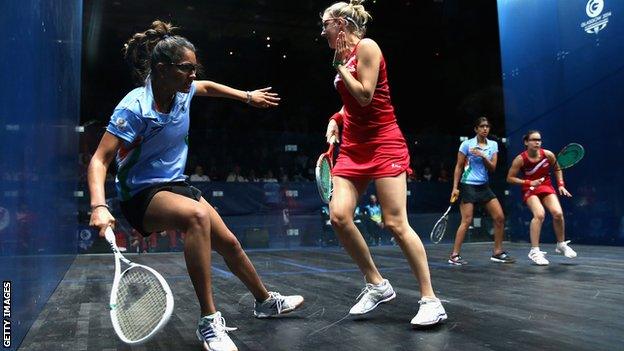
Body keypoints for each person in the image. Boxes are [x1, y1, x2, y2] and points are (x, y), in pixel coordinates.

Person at [87, 21, 303, 351]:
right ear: (162, 69)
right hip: (141, 195)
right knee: (197, 219)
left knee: (229, 242)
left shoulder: (183, 90)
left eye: (194, 68)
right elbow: (100, 160)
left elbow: (207, 87)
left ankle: (264, 301)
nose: (192, 75)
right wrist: (99, 206)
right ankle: (208, 321)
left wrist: (246, 96)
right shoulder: (134, 108)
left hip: (175, 186)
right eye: (186, 69)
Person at [321, 1, 446, 327]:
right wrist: (336, 118)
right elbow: (351, 105)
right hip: (353, 148)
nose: (322, 32)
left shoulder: (367, 47)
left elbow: (365, 95)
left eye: (325, 25)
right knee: (339, 216)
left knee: (394, 223)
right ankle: (376, 283)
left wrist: (339, 69)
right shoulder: (345, 57)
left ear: (340, 24)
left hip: (384, 142)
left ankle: (431, 300)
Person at [449, 117, 515, 265]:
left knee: (499, 217)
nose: (485, 129)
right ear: (476, 129)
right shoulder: (466, 144)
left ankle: (497, 252)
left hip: (484, 186)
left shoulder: (493, 145)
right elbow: (459, 166)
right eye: (482, 126)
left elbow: (492, 168)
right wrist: (455, 187)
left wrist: (483, 156)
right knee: (466, 221)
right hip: (468, 185)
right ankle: (454, 255)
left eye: (487, 126)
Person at [506, 130, 577, 265]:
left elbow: (557, 169)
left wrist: (561, 185)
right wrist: (529, 182)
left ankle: (561, 244)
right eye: (533, 140)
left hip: (545, 186)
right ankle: (534, 251)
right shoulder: (520, 159)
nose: (537, 142)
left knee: (558, 213)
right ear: (526, 142)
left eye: (539, 140)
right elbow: (510, 178)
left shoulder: (548, 154)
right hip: (529, 189)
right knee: (539, 214)